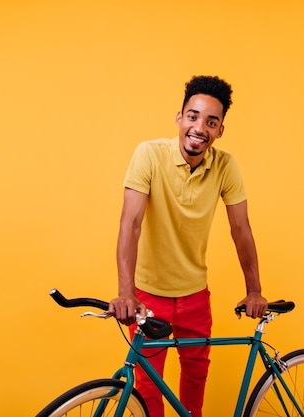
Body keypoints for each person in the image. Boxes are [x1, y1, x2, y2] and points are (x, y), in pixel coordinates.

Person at [108, 75, 268, 417]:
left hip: (196, 294)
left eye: (211, 122)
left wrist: (254, 290)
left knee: (195, 382)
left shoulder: (225, 166)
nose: (200, 128)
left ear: (220, 130)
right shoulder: (148, 154)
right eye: (193, 116)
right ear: (179, 118)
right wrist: (125, 293)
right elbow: (131, 223)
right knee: (149, 388)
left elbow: (240, 228)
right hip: (148, 296)